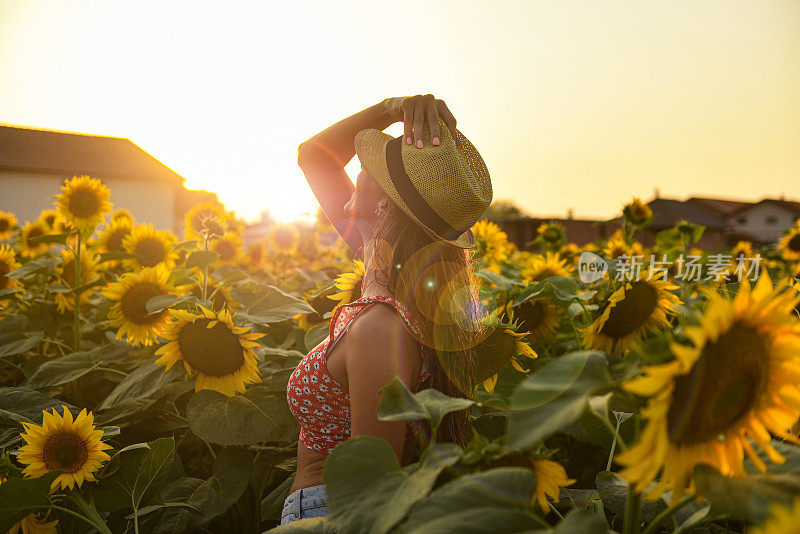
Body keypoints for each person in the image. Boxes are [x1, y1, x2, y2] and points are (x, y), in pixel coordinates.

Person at [279, 94, 493, 526]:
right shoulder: (384, 269)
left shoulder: (382, 326)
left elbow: (373, 487)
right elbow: (313, 158)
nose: (355, 175)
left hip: (331, 514)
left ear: (383, 205)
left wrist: (391, 114)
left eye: (366, 173)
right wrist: (390, 107)